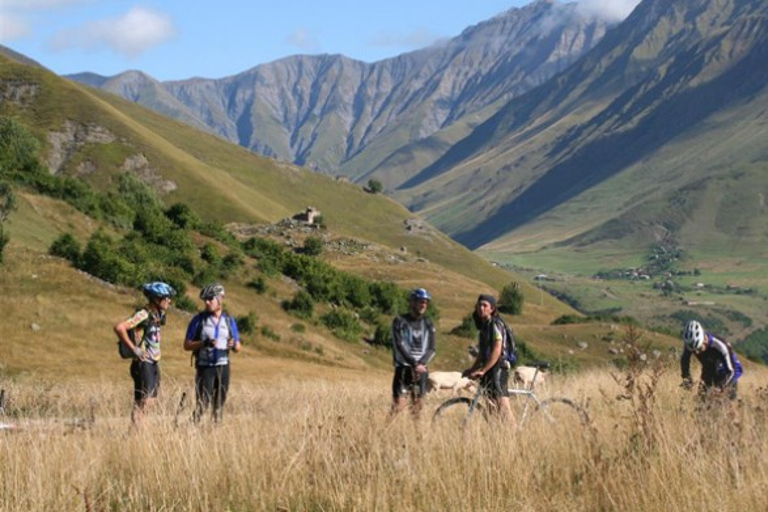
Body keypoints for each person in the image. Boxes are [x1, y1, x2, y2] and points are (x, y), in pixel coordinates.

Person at [114, 281, 176, 426]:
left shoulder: (159, 315)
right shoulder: (143, 314)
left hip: (153, 362)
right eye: (166, 298)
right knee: (143, 402)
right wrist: (135, 349)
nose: (169, 301)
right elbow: (119, 327)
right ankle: (136, 433)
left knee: (150, 402)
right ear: (156, 298)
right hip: (143, 363)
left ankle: (138, 433)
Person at [184, 283, 241, 422]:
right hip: (205, 367)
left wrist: (233, 345)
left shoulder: (228, 320)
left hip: (223, 366)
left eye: (210, 299)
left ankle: (215, 434)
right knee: (202, 404)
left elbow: (239, 346)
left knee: (219, 405)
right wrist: (204, 343)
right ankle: (192, 432)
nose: (207, 302)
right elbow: (186, 345)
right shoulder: (198, 320)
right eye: (205, 300)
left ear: (220, 299)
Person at [463, 293, 516, 426]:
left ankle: (516, 435)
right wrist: (473, 369)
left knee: (503, 407)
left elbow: (497, 350)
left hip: (499, 367)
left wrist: (483, 369)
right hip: (490, 368)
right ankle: (499, 435)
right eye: (479, 305)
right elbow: (482, 354)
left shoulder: (495, 324)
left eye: (484, 305)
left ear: (492, 309)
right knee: (491, 406)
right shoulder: (484, 328)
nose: (481, 308)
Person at [390, 288, 436, 418]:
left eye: (426, 302)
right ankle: (383, 434)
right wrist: (414, 363)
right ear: (412, 302)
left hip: (421, 370)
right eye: (420, 302)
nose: (423, 305)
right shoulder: (399, 321)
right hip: (404, 368)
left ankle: (417, 437)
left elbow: (432, 348)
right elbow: (398, 345)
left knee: (418, 408)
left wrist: (421, 364)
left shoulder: (428, 323)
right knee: (398, 406)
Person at [681, 319, 743, 400]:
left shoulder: (720, 345)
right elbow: (685, 361)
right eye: (693, 351)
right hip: (709, 367)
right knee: (701, 403)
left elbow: (731, 371)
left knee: (721, 404)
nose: (696, 352)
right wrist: (687, 379)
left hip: (728, 371)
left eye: (699, 348)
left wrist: (719, 387)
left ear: (704, 341)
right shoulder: (691, 344)